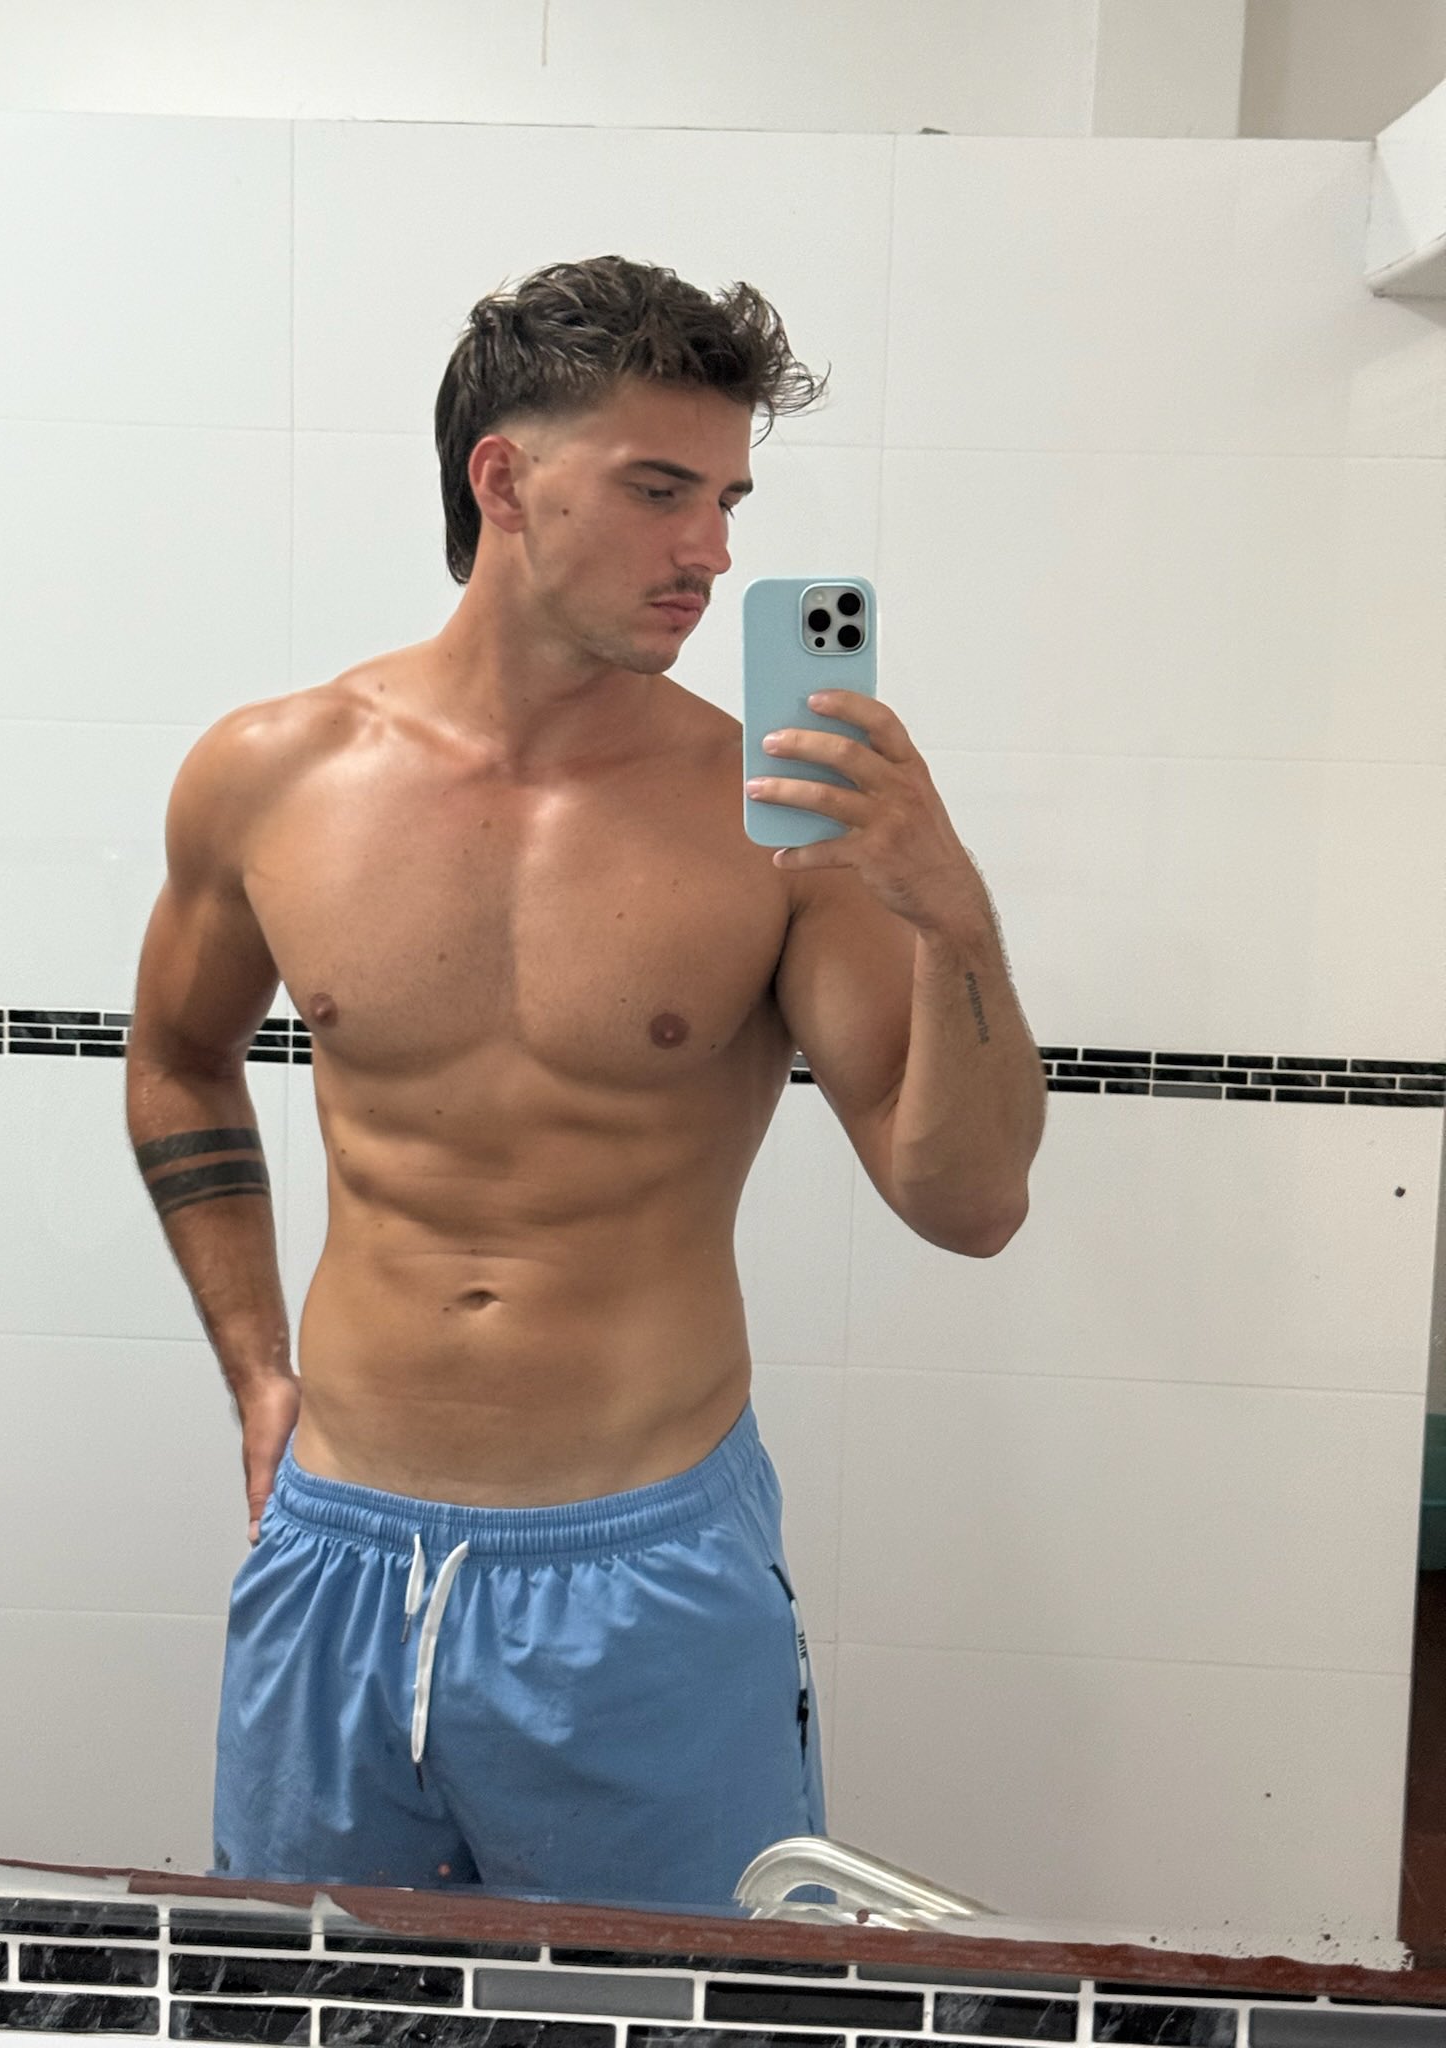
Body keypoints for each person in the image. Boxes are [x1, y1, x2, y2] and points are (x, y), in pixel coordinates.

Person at [123, 254, 1046, 1909]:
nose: (714, 551)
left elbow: (968, 1204)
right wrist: (258, 1372)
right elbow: (181, 1065)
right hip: (335, 1555)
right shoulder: (269, 774)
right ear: (505, 480)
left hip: (646, 1571)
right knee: (314, 2007)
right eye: (660, 489)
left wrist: (950, 914)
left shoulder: (775, 821)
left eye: (729, 501)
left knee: (674, 2010)